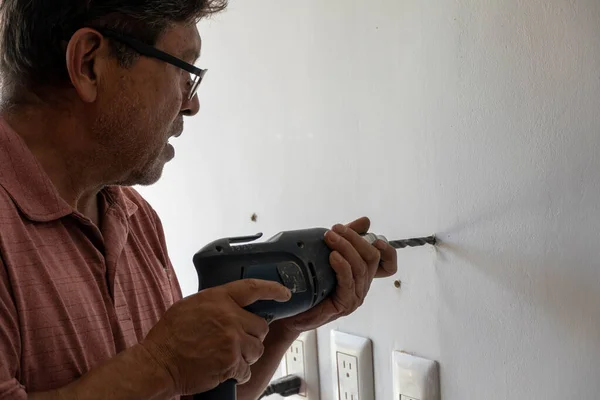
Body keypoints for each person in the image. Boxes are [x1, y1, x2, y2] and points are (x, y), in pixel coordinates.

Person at [0, 1, 398, 399]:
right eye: (184, 71)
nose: (191, 104)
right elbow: (166, 373)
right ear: (90, 63)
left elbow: (190, 390)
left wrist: (282, 327)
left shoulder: (134, 217)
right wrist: (161, 365)